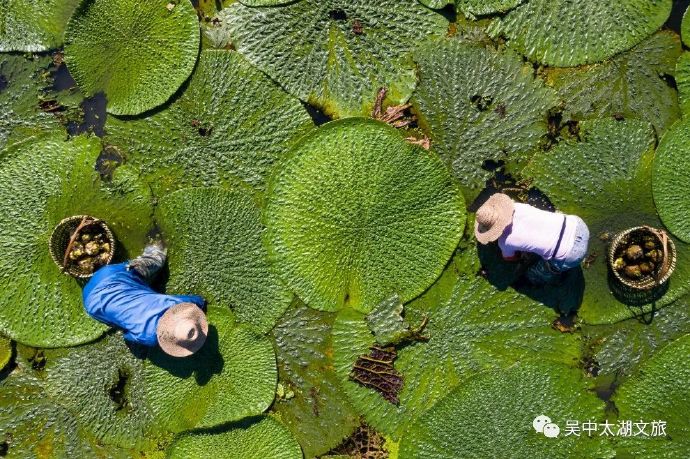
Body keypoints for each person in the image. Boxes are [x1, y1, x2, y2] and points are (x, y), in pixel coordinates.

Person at [82, 240, 208, 357]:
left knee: (156, 259)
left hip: (108, 276)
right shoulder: (149, 337)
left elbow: (196, 301)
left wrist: (202, 304)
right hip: (91, 304)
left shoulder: (174, 304)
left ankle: (156, 240)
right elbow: (128, 336)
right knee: (117, 322)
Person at [475, 193, 590, 286]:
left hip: (572, 255)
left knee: (533, 276)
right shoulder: (518, 207)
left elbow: (510, 258)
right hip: (577, 225)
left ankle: (555, 276)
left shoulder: (504, 242)